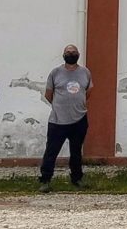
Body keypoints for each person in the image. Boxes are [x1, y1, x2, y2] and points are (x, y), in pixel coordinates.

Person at [38, 44, 93, 193]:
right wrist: (60, 106)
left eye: (73, 52)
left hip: (80, 119)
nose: (71, 54)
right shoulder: (55, 73)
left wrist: (76, 104)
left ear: (78, 54)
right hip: (58, 120)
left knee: (76, 151)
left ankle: (77, 178)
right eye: (68, 52)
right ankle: (45, 180)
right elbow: (48, 94)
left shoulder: (85, 72)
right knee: (51, 151)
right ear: (63, 55)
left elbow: (88, 92)